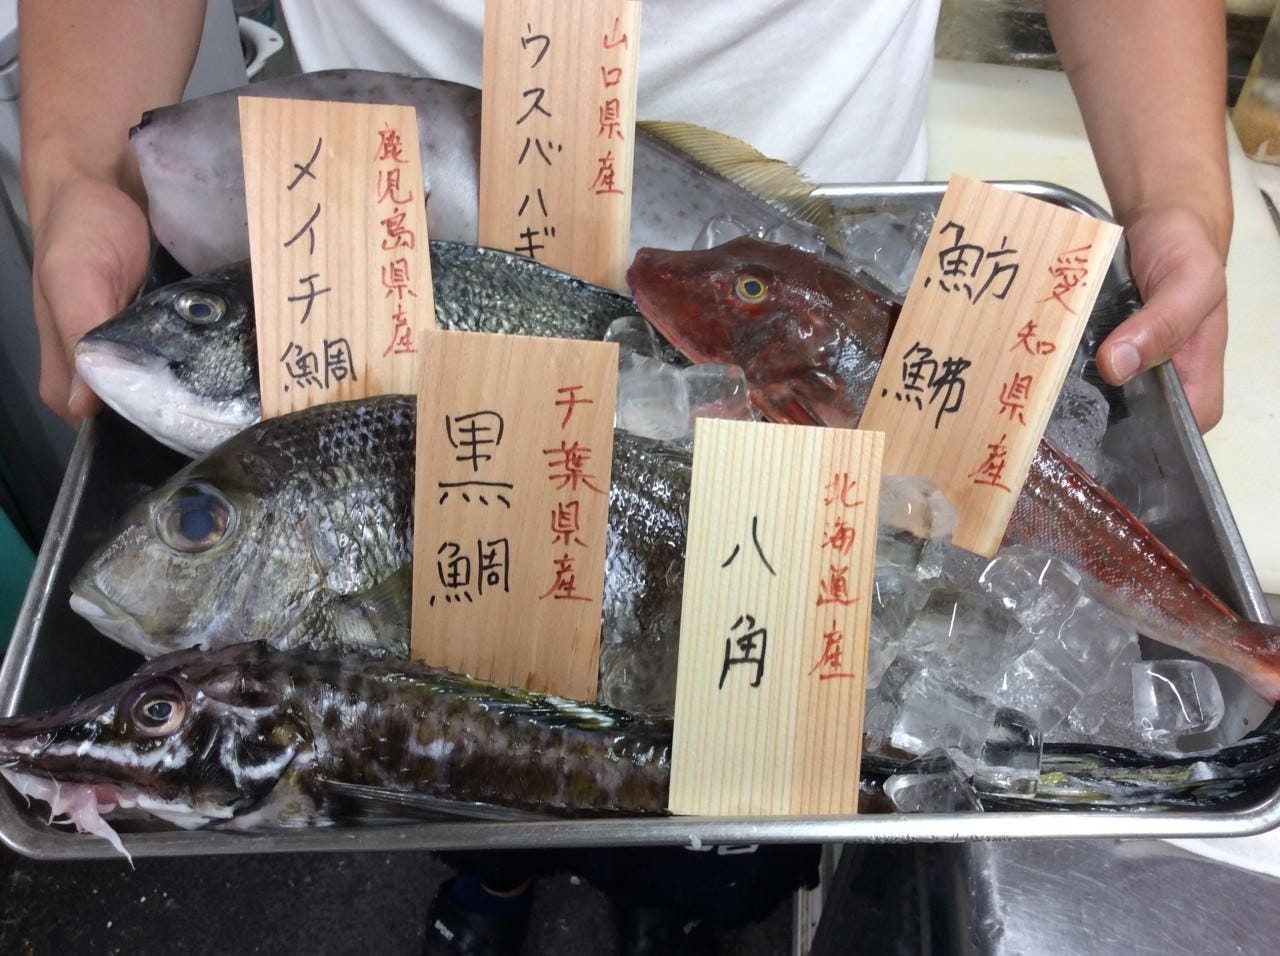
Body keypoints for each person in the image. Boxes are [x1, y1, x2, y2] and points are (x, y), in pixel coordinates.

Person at [17, 1, 1234, 953]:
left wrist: (1176, 187)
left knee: (745, 745)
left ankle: (698, 900)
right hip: (345, 215)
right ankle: (496, 876)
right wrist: (76, 169)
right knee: (458, 710)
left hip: (807, 211)